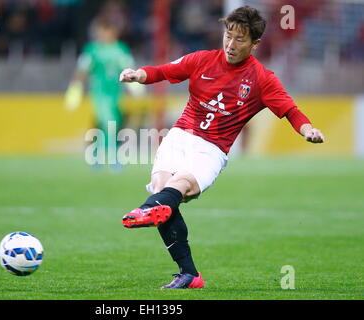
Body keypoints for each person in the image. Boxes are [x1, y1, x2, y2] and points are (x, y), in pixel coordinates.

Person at [119, 6, 324, 289]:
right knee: (162, 192)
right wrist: (137, 73)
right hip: (179, 136)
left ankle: (146, 210)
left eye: (240, 39)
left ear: (255, 44)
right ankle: (189, 274)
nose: (230, 44)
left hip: (212, 148)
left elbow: (290, 110)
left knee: (180, 189)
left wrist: (308, 129)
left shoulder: (262, 79)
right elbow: (163, 71)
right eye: (228, 36)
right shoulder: (202, 60)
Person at [65, 18, 143, 171]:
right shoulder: (92, 50)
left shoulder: (120, 49)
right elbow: (82, 70)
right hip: (99, 93)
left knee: (111, 123)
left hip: (115, 94)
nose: (104, 35)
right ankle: (111, 158)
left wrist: (135, 87)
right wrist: (75, 88)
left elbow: (128, 67)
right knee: (107, 121)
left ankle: (97, 155)